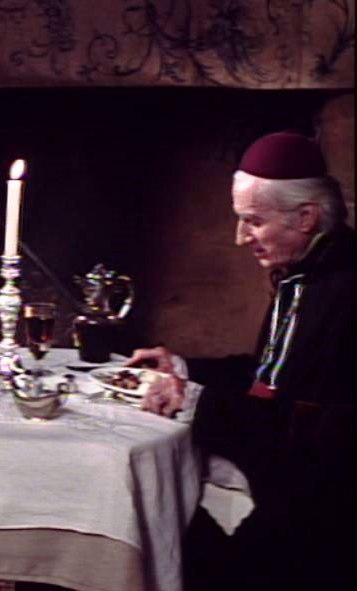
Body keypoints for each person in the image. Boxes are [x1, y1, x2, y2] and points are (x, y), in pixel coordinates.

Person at [128, 131, 353, 590]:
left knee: (158, 532)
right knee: (162, 517)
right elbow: (269, 375)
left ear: (306, 217)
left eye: (253, 221)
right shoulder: (304, 273)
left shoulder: (345, 291)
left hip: (327, 522)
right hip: (291, 491)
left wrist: (197, 403)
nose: (239, 238)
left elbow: (319, 433)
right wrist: (183, 369)